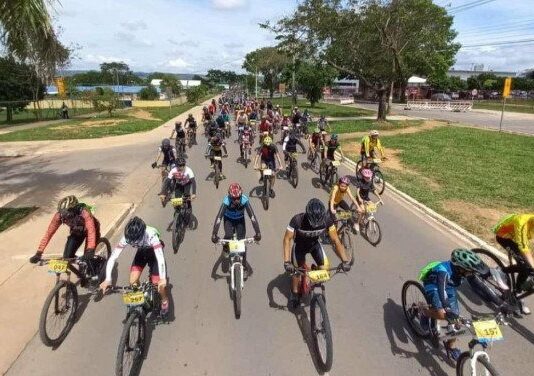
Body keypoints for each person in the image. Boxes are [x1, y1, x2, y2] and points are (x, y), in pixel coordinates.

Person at [418, 249, 489, 361]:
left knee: (457, 323)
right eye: (470, 271)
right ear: (460, 268)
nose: (472, 273)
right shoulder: (443, 271)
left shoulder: (464, 271)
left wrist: (502, 303)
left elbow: (481, 286)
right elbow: (441, 291)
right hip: (434, 286)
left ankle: (450, 346)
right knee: (442, 314)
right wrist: (446, 309)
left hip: (449, 287)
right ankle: (424, 312)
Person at [283, 199, 351, 307]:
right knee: (296, 271)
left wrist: (345, 260)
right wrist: (287, 262)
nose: (315, 225)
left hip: (314, 246)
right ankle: (294, 293)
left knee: (325, 270)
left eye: (318, 223)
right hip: (299, 247)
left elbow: (336, 240)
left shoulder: (327, 220)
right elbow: (287, 239)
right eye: (312, 222)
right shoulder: (297, 220)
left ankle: (312, 281)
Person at [100, 217, 170, 316]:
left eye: (135, 241)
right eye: (131, 241)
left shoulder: (151, 235)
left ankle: (164, 300)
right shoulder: (127, 237)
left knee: (159, 285)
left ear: (142, 233)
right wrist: (107, 279)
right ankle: (140, 297)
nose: (133, 243)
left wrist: (162, 279)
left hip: (154, 253)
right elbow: (113, 257)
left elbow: (160, 258)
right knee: (133, 281)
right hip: (142, 252)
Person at [30, 196, 100, 266]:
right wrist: (39, 252)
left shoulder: (84, 212)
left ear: (74, 209)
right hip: (77, 232)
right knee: (67, 258)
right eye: (62, 212)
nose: (64, 215)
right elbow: (48, 234)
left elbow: (91, 231)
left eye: (67, 212)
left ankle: (96, 267)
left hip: (92, 230)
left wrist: (90, 249)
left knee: (87, 258)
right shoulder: (59, 216)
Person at [211, 183, 261, 277]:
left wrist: (258, 232)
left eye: (238, 197)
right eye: (234, 199)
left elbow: (252, 217)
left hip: (239, 221)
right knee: (229, 235)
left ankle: (244, 266)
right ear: (230, 196)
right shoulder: (226, 200)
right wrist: (214, 234)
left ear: (241, 195)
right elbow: (219, 218)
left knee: (242, 243)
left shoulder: (244, 199)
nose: (237, 200)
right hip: (228, 220)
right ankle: (226, 249)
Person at [492, 213, 534, 314]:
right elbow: (523, 248)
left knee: (528, 267)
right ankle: (500, 271)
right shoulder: (523, 222)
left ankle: (516, 295)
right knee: (526, 266)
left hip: (516, 238)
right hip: (504, 237)